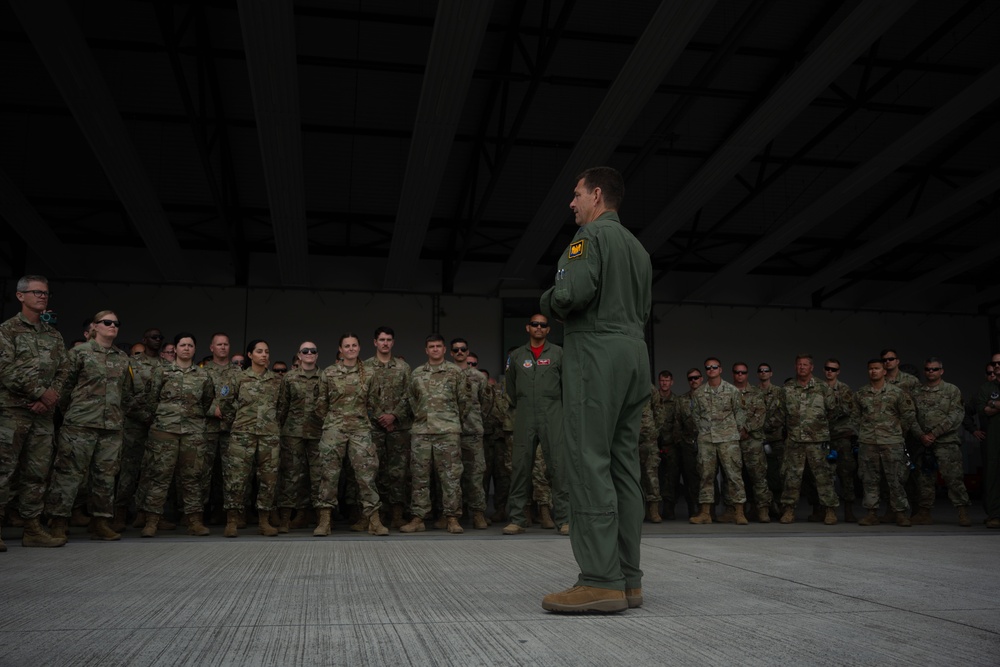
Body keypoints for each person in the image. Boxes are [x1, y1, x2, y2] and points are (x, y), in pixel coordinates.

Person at [539, 166, 651, 614]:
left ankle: (600, 580)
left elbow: (572, 295)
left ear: (597, 195)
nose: (572, 202)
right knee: (624, 466)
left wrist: (548, 298)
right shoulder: (639, 249)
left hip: (597, 355)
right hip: (633, 355)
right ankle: (629, 579)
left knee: (588, 462)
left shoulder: (588, 240)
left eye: (577, 194)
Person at [46, 311, 136, 541]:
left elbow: (126, 393)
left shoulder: (122, 358)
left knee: (105, 476)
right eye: (107, 322)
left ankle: (100, 522)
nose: (113, 326)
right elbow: (64, 388)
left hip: (111, 427)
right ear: (94, 327)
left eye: (116, 323)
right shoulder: (78, 353)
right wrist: (73, 413)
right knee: (68, 473)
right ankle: (58, 521)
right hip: (80, 423)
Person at [0, 275, 68, 551]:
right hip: (13, 411)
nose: (42, 297)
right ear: (20, 296)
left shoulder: (53, 335)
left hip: (42, 414)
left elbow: (63, 371)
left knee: (37, 472)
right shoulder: (7, 330)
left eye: (46, 293)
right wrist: (40, 391)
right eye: (37, 292)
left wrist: (50, 398)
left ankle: (32, 528)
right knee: (4, 470)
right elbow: (5, 369)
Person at [135, 333, 214, 537]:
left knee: (192, 477)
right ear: (176, 349)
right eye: (182, 345)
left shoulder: (203, 376)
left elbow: (206, 402)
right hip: (164, 430)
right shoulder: (161, 371)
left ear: (195, 349)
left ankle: (194, 521)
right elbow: (151, 399)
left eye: (190, 345)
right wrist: (162, 418)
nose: (186, 348)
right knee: (159, 475)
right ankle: (152, 521)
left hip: (192, 432)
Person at [313, 334, 388, 536]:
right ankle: (324, 521)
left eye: (354, 345)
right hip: (334, 429)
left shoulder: (369, 373)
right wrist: (334, 421)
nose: (351, 348)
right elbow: (320, 405)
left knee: (366, 476)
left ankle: (373, 520)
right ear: (340, 349)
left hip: (360, 430)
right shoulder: (328, 373)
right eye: (347, 346)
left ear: (359, 348)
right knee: (328, 475)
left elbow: (375, 403)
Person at [503, 314, 569, 535]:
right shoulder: (516, 355)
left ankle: (565, 519)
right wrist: (523, 402)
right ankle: (517, 519)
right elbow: (510, 387)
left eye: (543, 325)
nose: (539, 328)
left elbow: (568, 385)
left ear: (548, 330)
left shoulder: (559, 354)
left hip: (553, 413)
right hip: (525, 413)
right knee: (520, 467)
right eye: (534, 324)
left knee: (558, 468)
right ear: (527, 327)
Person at [396, 334, 469, 535]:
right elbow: (411, 400)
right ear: (426, 350)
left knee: (451, 477)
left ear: (444, 349)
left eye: (438, 346)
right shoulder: (417, 374)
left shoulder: (455, 372)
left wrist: (451, 422)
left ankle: (452, 518)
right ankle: (418, 518)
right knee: (419, 478)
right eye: (431, 346)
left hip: (448, 432)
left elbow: (463, 401)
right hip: (421, 432)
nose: (435, 349)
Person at [219, 339, 286, 537]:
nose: (264, 355)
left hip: (269, 436)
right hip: (242, 434)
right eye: (259, 351)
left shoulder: (276, 380)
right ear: (250, 355)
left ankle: (264, 521)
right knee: (236, 477)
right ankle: (232, 520)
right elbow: (226, 404)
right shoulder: (237, 378)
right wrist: (238, 424)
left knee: (268, 479)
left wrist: (272, 424)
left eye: (266, 351)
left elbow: (282, 407)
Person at [854, 359, 920, 527]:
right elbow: (854, 417)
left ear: (884, 371)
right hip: (868, 442)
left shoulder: (896, 392)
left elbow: (909, 414)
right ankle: (871, 513)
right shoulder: (861, 393)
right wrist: (862, 432)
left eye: (877, 369)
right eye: (870, 369)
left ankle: (900, 513)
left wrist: (898, 431)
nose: (873, 372)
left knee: (896, 479)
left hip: (892, 442)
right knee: (869, 479)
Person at [776, 354, 839, 525]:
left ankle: (829, 510)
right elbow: (780, 414)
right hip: (795, 441)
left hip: (817, 442)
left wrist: (819, 428)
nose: (802, 367)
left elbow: (833, 412)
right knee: (792, 477)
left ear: (811, 367)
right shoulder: (787, 389)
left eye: (805, 365)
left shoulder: (823, 388)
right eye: (799, 365)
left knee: (823, 477)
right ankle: (789, 510)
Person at [910, 358, 971, 526]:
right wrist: (922, 435)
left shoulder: (952, 390)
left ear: (941, 371)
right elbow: (910, 416)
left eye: (935, 369)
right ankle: (924, 512)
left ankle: (962, 511)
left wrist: (933, 434)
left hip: (946, 442)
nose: (931, 372)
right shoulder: (916, 392)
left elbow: (956, 416)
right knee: (924, 479)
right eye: (928, 369)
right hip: (923, 443)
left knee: (953, 478)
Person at [688, 357, 748, 525]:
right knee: (706, 475)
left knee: (733, 475)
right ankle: (706, 513)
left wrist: (734, 431)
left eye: (714, 367)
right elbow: (695, 415)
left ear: (720, 369)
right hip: (707, 440)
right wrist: (704, 430)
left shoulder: (732, 390)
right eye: (708, 367)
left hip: (728, 439)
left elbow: (740, 412)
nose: (711, 369)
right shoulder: (699, 392)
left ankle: (739, 512)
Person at [365, 326, 413, 528]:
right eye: (381, 339)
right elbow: (364, 396)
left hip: (398, 429)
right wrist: (381, 418)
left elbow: (409, 395)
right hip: (374, 428)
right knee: (374, 471)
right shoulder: (365, 367)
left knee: (398, 472)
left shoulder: (404, 368)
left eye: (389, 340)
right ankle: (377, 515)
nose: (385, 343)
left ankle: (396, 514)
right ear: (375, 342)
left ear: (393, 343)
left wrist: (394, 416)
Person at [276, 342, 323, 532]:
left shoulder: (324, 377)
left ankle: (320, 518)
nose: (309, 353)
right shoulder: (289, 378)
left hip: (317, 433)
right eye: (305, 351)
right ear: (299, 355)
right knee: (291, 475)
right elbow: (282, 406)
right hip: (292, 433)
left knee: (318, 477)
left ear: (317, 355)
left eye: (313, 351)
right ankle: (287, 518)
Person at [449, 339, 489, 529]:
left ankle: (478, 514)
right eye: (456, 350)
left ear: (468, 351)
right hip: (450, 432)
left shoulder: (478, 377)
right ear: (451, 353)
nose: (459, 352)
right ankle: (450, 515)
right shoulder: (446, 374)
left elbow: (485, 404)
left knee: (475, 475)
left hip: (472, 432)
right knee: (450, 477)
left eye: (463, 349)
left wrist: (476, 421)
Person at [731, 361, 772, 523]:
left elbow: (760, 415)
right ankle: (735, 510)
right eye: (737, 372)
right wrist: (735, 432)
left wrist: (746, 429)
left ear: (747, 374)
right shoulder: (728, 392)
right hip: (733, 441)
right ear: (733, 373)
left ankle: (762, 510)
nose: (740, 375)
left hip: (753, 442)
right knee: (734, 478)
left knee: (758, 477)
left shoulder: (756, 393)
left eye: (743, 372)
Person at [822, 358, 858, 522]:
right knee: (826, 476)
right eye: (827, 368)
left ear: (838, 372)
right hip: (825, 437)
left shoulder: (844, 389)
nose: (830, 372)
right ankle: (829, 510)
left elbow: (848, 410)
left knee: (846, 474)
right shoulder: (819, 388)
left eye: (833, 369)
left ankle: (849, 508)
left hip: (842, 437)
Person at [975, 353, 1000, 528]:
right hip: (994, 439)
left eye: (999, 363)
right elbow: (983, 409)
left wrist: (995, 405)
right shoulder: (986, 388)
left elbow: (990, 407)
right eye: (994, 363)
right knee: (993, 475)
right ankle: (995, 514)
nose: (996, 366)